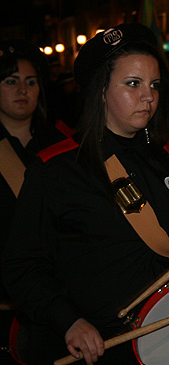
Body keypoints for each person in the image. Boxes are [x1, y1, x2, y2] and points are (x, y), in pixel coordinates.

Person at [2, 24, 169, 364]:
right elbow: (22, 267)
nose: (149, 96)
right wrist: (69, 322)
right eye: (132, 84)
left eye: (154, 84)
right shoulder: (58, 169)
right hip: (101, 346)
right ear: (100, 91)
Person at [0, 39, 69, 364]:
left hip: (59, 303)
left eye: (31, 81)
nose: (22, 90)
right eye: (10, 81)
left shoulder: (61, 144)